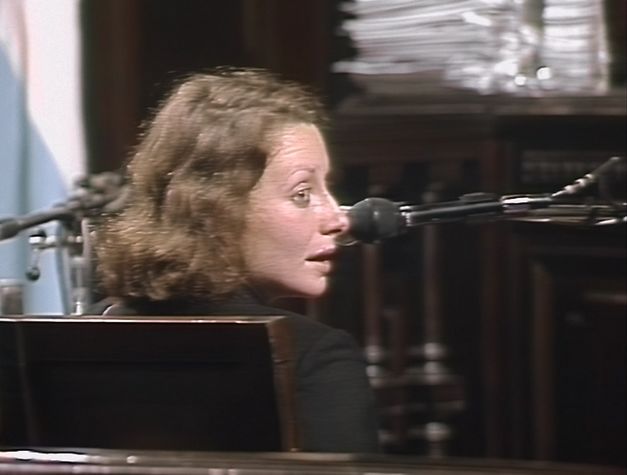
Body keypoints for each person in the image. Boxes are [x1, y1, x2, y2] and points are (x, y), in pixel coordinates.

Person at [94, 67, 380, 453]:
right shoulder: (314, 357)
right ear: (216, 209)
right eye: (302, 194)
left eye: (326, 188)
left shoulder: (88, 331)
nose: (337, 219)